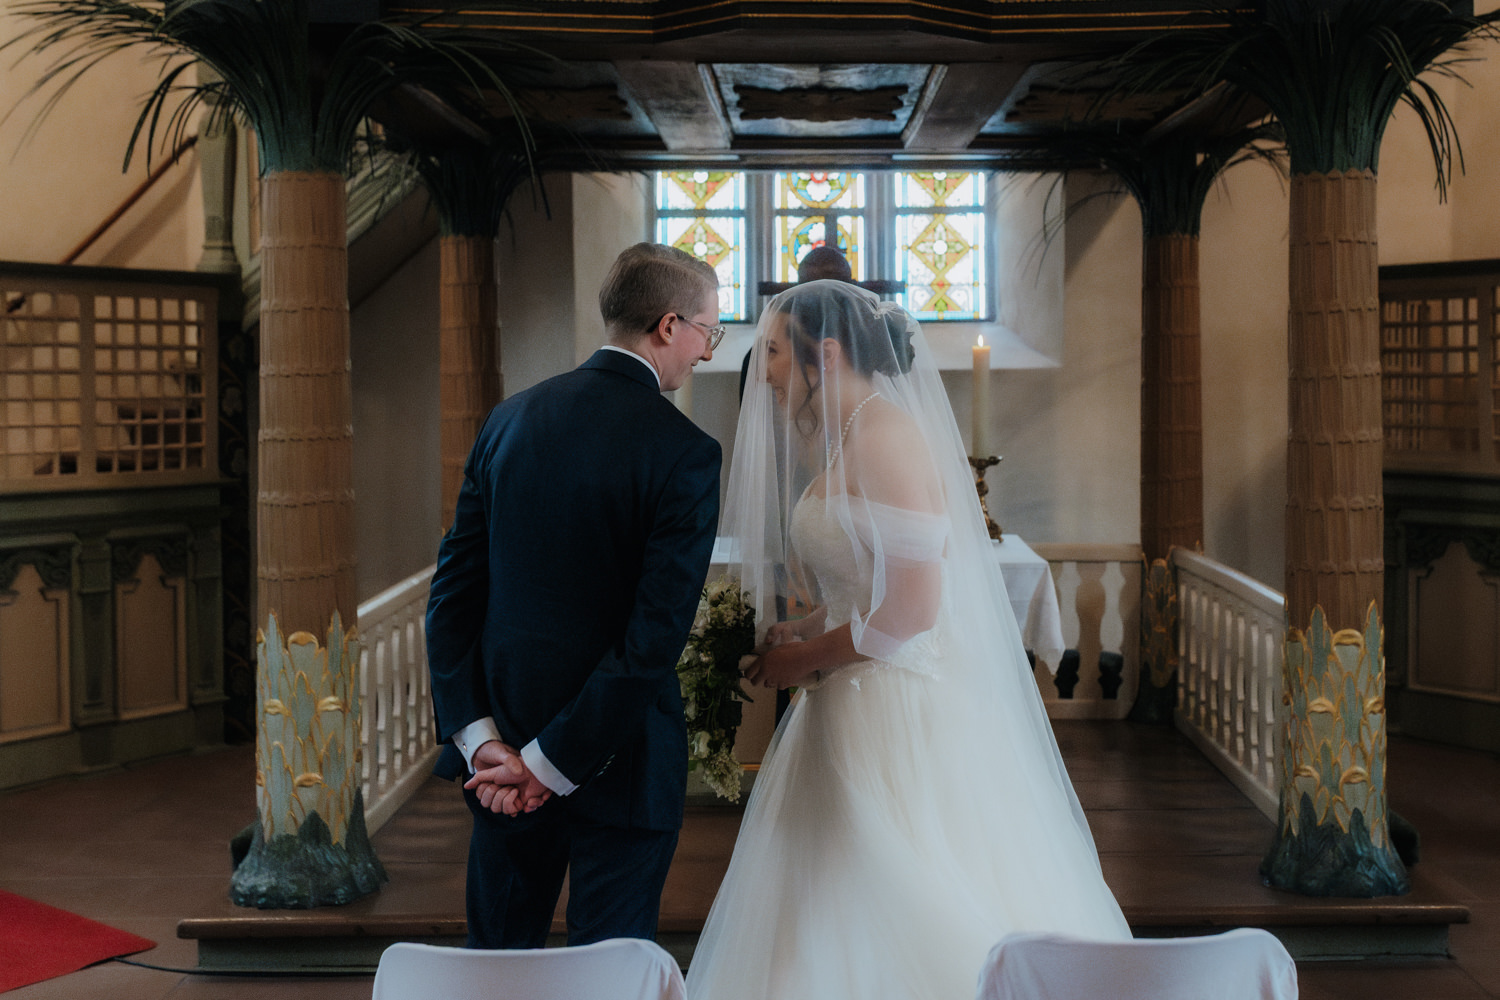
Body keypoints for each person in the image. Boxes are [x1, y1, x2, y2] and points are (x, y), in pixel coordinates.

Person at [686, 280, 1129, 1000]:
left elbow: (913, 612)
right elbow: (864, 588)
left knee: (891, 881)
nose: (762, 371)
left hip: (893, 705)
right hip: (847, 696)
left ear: (826, 354)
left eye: (772, 352)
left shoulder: (887, 438)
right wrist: (805, 625)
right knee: (824, 894)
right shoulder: (848, 436)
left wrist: (800, 659)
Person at [425, 243, 724, 949]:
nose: (706, 352)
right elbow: (652, 639)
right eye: (708, 332)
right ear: (669, 325)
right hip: (624, 762)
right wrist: (546, 763)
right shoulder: (685, 451)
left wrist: (483, 742)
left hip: (497, 757)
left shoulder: (508, 420)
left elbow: (452, 598)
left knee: (498, 969)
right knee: (607, 975)